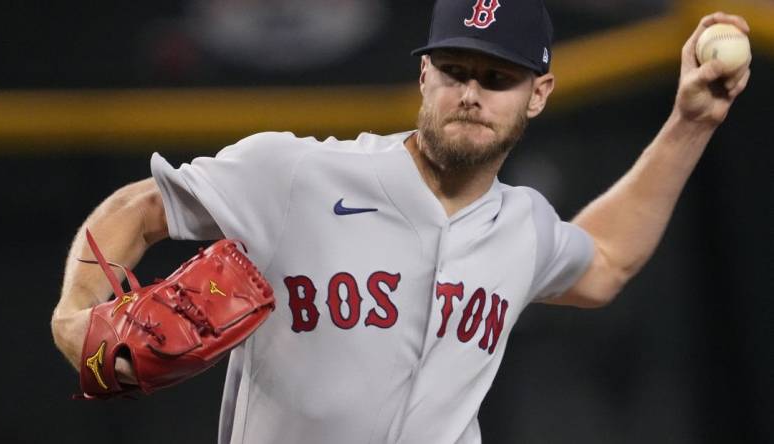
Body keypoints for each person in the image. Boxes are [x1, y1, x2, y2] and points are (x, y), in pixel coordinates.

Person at [51, 0, 751, 442]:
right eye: (454, 69)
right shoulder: (297, 173)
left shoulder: (523, 226)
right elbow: (140, 209)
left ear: (538, 96)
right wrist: (75, 311)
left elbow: (605, 261)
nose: (470, 93)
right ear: (424, 78)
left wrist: (691, 121)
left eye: (497, 78)